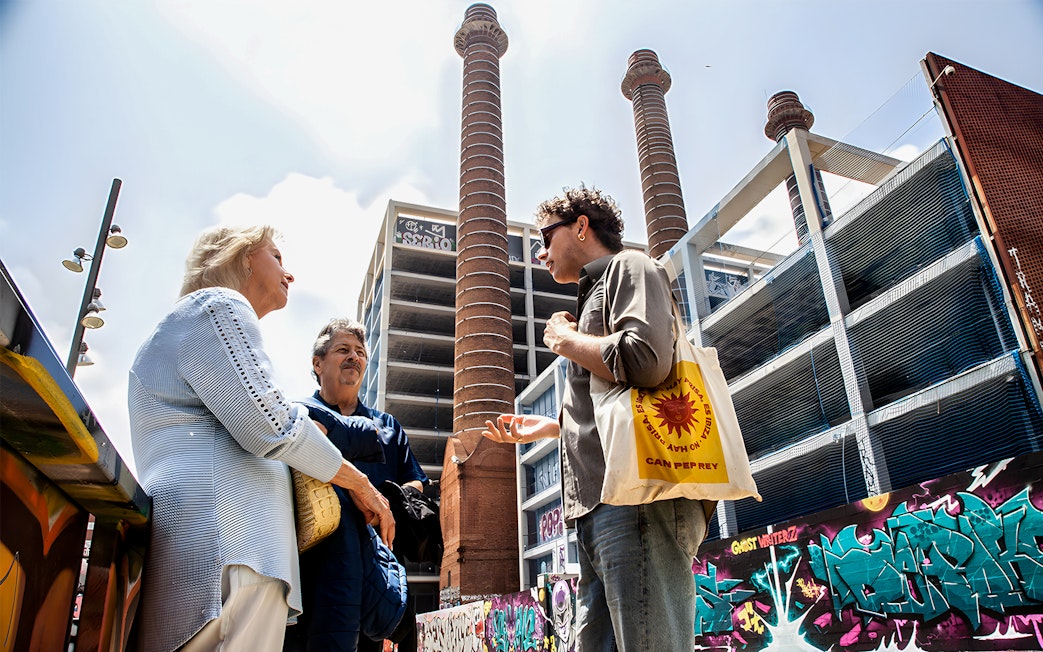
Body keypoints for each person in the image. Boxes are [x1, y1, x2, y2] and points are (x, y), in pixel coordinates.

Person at [129, 225, 394, 652]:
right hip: (232, 553)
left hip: (208, 557)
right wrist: (359, 482)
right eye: (277, 257)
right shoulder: (218, 306)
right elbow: (273, 425)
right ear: (242, 258)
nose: (290, 275)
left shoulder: (183, 325)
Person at [482, 187, 708, 652]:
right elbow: (612, 401)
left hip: (636, 503)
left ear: (581, 226)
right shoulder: (592, 299)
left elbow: (646, 360)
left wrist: (564, 339)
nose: (541, 251)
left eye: (546, 235)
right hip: (601, 511)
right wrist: (552, 427)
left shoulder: (632, 267)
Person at [286, 318, 428, 652]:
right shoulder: (300, 417)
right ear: (317, 363)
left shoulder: (387, 425)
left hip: (376, 575)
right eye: (343, 349)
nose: (354, 357)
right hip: (312, 574)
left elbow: (417, 482)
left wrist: (389, 503)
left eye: (360, 352)